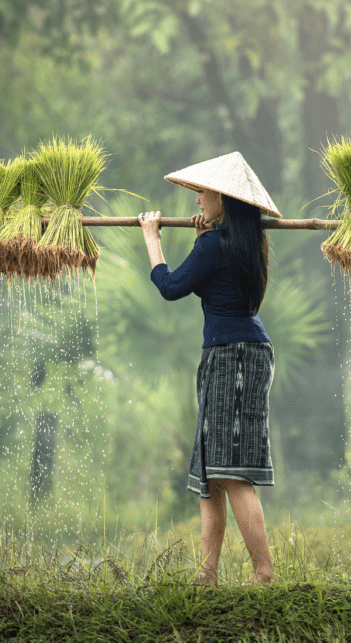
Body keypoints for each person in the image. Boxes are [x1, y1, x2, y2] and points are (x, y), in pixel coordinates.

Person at [138, 151, 281, 586]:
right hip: (238, 351)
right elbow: (210, 271)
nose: (196, 199)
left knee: (230, 471)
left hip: (233, 356)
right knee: (211, 471)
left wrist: (152, 237)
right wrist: (204, 237)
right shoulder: (243, 243)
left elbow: (171, 286)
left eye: (202, 192)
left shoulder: (215, 246)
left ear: (223, 196)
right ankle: (208, 573)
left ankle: (264, 571)